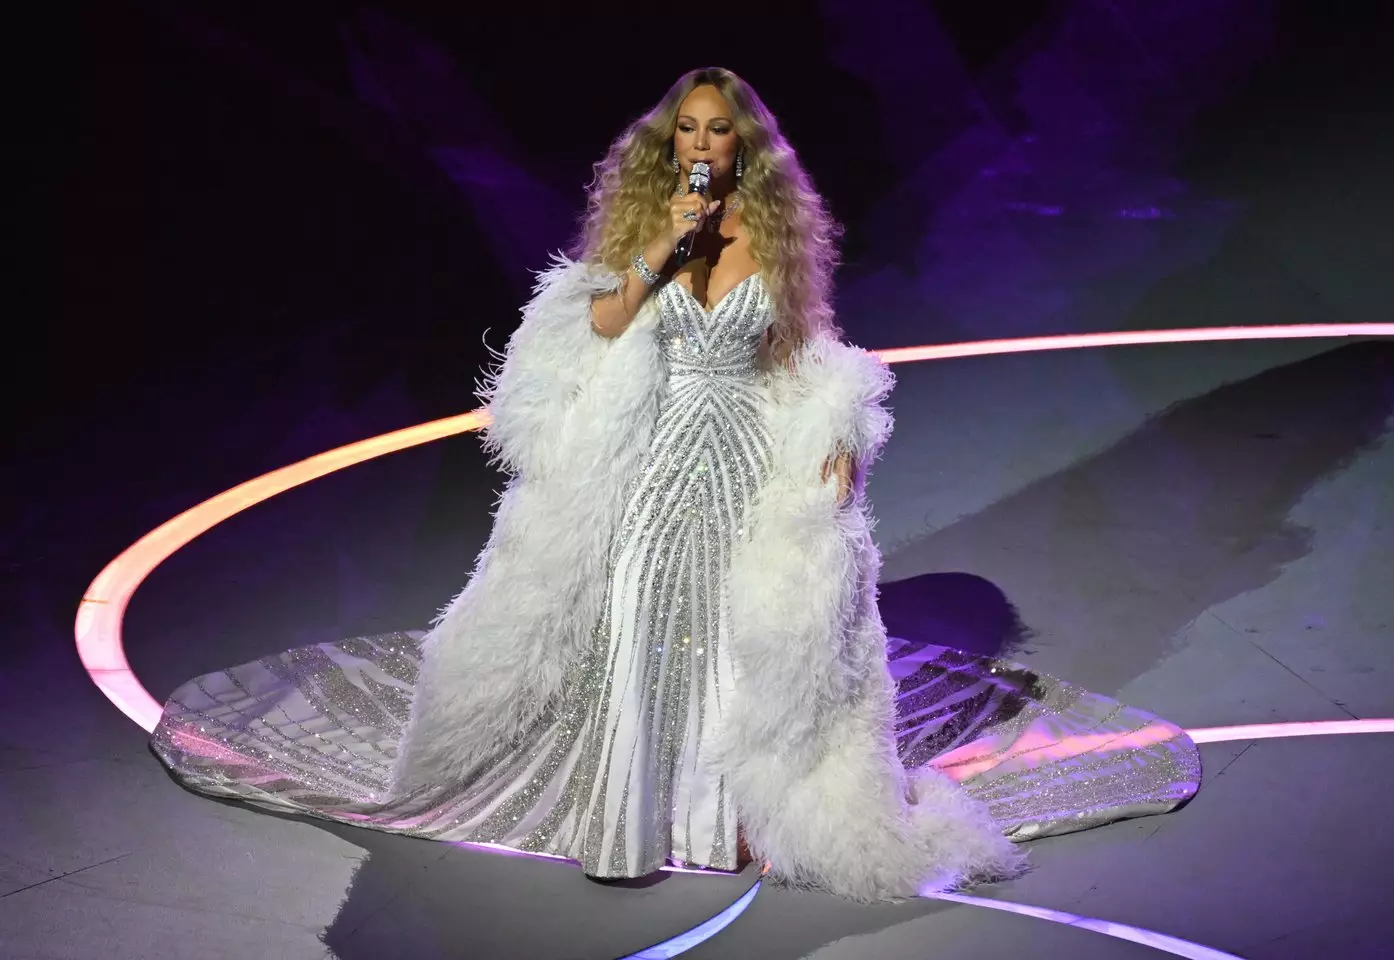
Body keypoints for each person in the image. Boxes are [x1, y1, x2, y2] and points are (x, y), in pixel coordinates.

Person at [150, 67, 1201, 902]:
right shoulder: (645, 230)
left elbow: (804, 352)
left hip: (747, 461)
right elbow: (598, 323)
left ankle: (728, 818)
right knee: (653, 619)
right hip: (652, 465)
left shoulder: (778, 239)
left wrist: (836, 432)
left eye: (718, 132)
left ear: (745, 144)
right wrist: (666, 245)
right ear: (670, 142)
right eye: (687, 131)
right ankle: (630, 820)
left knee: (741, 636)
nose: (702, 145)